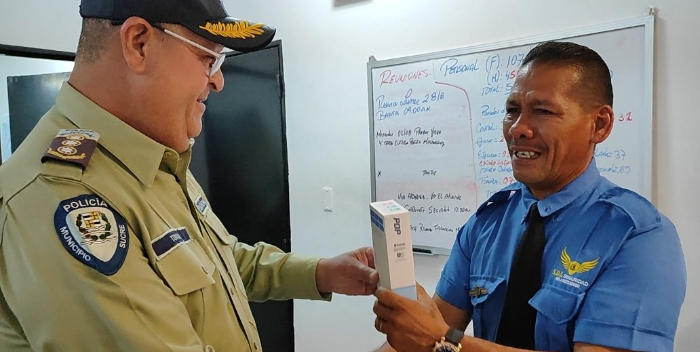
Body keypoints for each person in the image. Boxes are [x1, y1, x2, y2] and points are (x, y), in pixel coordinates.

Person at [0, 0, 379, 351]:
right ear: (139, 44)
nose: (218, 81)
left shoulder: (154, 154)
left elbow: (221, 261)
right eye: (207, 58)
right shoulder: (61, 200)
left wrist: (322, 274)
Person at [372, 41, 686, 352]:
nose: (518, 129)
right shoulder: (487, 223)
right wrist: (412, 324)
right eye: (512, 110)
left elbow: (432, 335)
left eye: (543, 111)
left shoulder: (637, 236)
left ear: (599, 125)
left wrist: (441, 342)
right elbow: (422, 330)